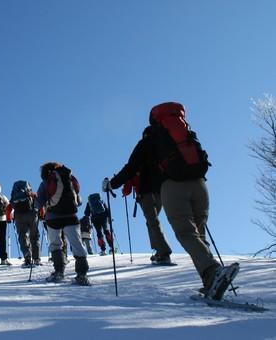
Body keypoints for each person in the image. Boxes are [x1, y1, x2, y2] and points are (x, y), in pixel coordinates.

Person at [102, 102, 239, 301]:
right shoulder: (185, 132)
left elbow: (130, 167)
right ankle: (211, 281)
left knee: (186, 233)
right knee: (199, 233)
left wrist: (111, 184)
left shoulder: (149, 140)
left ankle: (212, 272)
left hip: (173, 186)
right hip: (200, 185)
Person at [112, 126, 174, 265]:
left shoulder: (143, 148)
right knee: (152, 221)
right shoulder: (163, 147)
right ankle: (159, 250)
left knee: (152, 221)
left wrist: (116, 186)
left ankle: (163, 253)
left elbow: (130, 171)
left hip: (145, 192)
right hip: (162, 190)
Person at [37, 161, 90, 285]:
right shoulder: (69, 178)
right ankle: (82, 275)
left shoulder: (46, 182)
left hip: (52, 217)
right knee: (77, 244)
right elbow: (79, 200)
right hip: (71, 216)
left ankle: (59, 272)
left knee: (56, 244)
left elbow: (39, 202)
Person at [6, 180, 41, 267]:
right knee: (34, 236)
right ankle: (36, 259)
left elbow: (8, 209)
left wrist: (8, 219)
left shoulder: (14, 197)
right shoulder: (31, 194)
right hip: (32, 215)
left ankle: (27, 258)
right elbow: (40, 203)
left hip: (19, 217)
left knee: (22, 236)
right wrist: (42, 215)